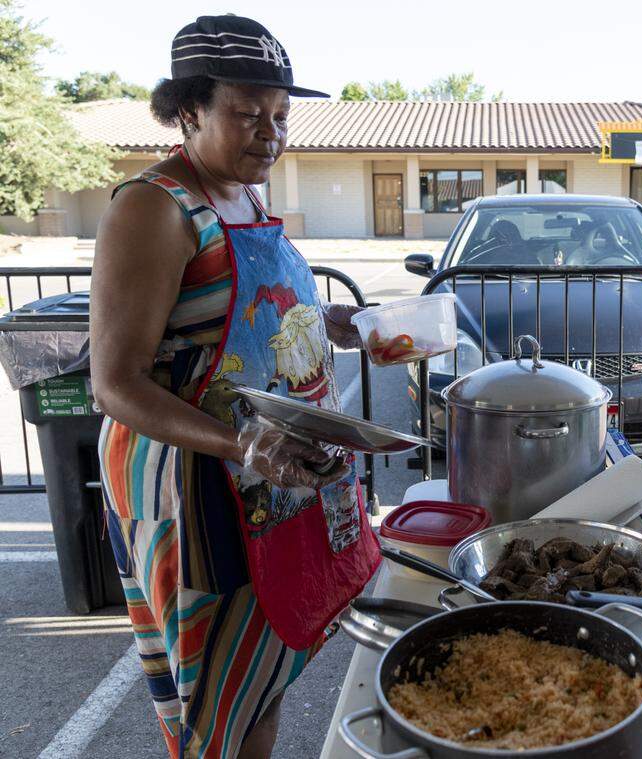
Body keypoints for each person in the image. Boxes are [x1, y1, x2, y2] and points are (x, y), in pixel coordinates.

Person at [90, 15, 380, 757]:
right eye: (247, 114)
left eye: (280, 115)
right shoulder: (155, 207)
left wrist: (328, 320)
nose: (270, 133)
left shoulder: (247, 196)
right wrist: (240, 441)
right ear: (188, 109)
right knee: (212, 700)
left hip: (266, 474)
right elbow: (114, 383)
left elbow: (247, 311)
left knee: (262, 675)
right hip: (195, 490)